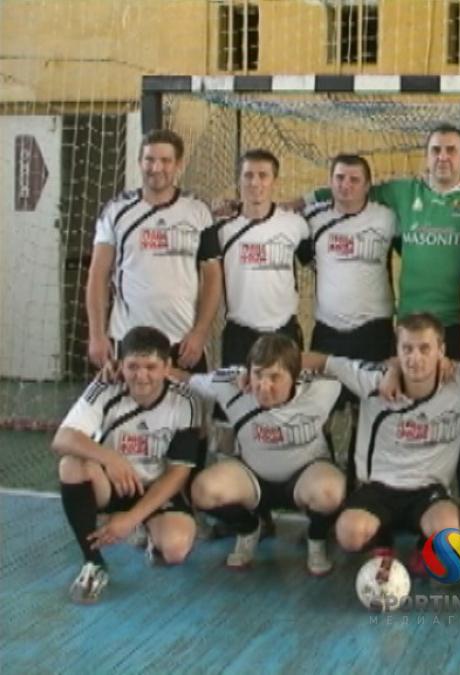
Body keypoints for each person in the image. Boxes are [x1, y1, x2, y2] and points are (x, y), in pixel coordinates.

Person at [307, 124, 460, 359]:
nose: (442, 157)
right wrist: (298, 202)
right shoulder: (403, 192)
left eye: (451, 150)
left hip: (459, 325)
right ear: (426, 157)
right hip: (410, 324)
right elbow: (349, 191)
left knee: (456, 383)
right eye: (436, 150)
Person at [301, 313, 460, 568]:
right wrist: (254, 372)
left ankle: (422, 548)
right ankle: (381, 541)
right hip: (378, 488)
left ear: (441, 351)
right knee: (348, 534)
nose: (415, 358)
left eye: (425, 348)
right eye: (407, 349)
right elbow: (323, 361)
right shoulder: (374, 380)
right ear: (397, 352)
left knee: (449, 534)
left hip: (428, 491)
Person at [53, 326, 202, 604]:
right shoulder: (105, 388)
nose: (141, 376)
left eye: (151, 367)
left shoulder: (185, 401)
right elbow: (62, 439)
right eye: (133, 366)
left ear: (167, 367)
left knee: (175, 550)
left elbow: (179, 472)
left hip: (155, 488)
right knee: (71, 465)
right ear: (120, 365)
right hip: (114, 484)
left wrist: (131, 519)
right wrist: (110, 458)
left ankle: (141, 528)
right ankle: (93, 562)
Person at [182, 334, 344, 575]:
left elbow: (346, 367)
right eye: (258, 374)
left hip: (304, 479)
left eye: (275, 377)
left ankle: (316, 539)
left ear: (295, 375)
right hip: (253, 480)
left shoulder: (322, 389)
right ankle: (248, 528)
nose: (264, 386)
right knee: (202, 491)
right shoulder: (232, 386)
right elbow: (189, 380)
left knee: (330, 492)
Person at [86, 129, 222, 373]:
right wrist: (96, 334)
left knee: (191, 399)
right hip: (128, 339)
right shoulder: (116, 211)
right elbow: (98, 275)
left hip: (183, 343)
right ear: (140, 162)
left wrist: (200, 332)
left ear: (178, 164)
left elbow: (212, 277)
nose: (156, 168)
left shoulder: (198, 212)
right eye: (149, 159)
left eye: (166, 160)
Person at [212, 149, 309, 365]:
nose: (255, 183)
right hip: (240, 334)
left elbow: (317, 264)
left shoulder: (295, 225)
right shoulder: (221, 228)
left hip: (283, 332)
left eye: (263, 175)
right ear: (239, 180)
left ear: (275, 180)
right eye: (248, 175)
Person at [302, 154, 396, 363]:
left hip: (374, 329)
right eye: (340, 178)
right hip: (328, 330)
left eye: (354, 180)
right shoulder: (312, 218)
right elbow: (305, 256)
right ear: (330, 181)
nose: (345, 185)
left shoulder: (387, 218)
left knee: (374, 385)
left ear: (367, 186)